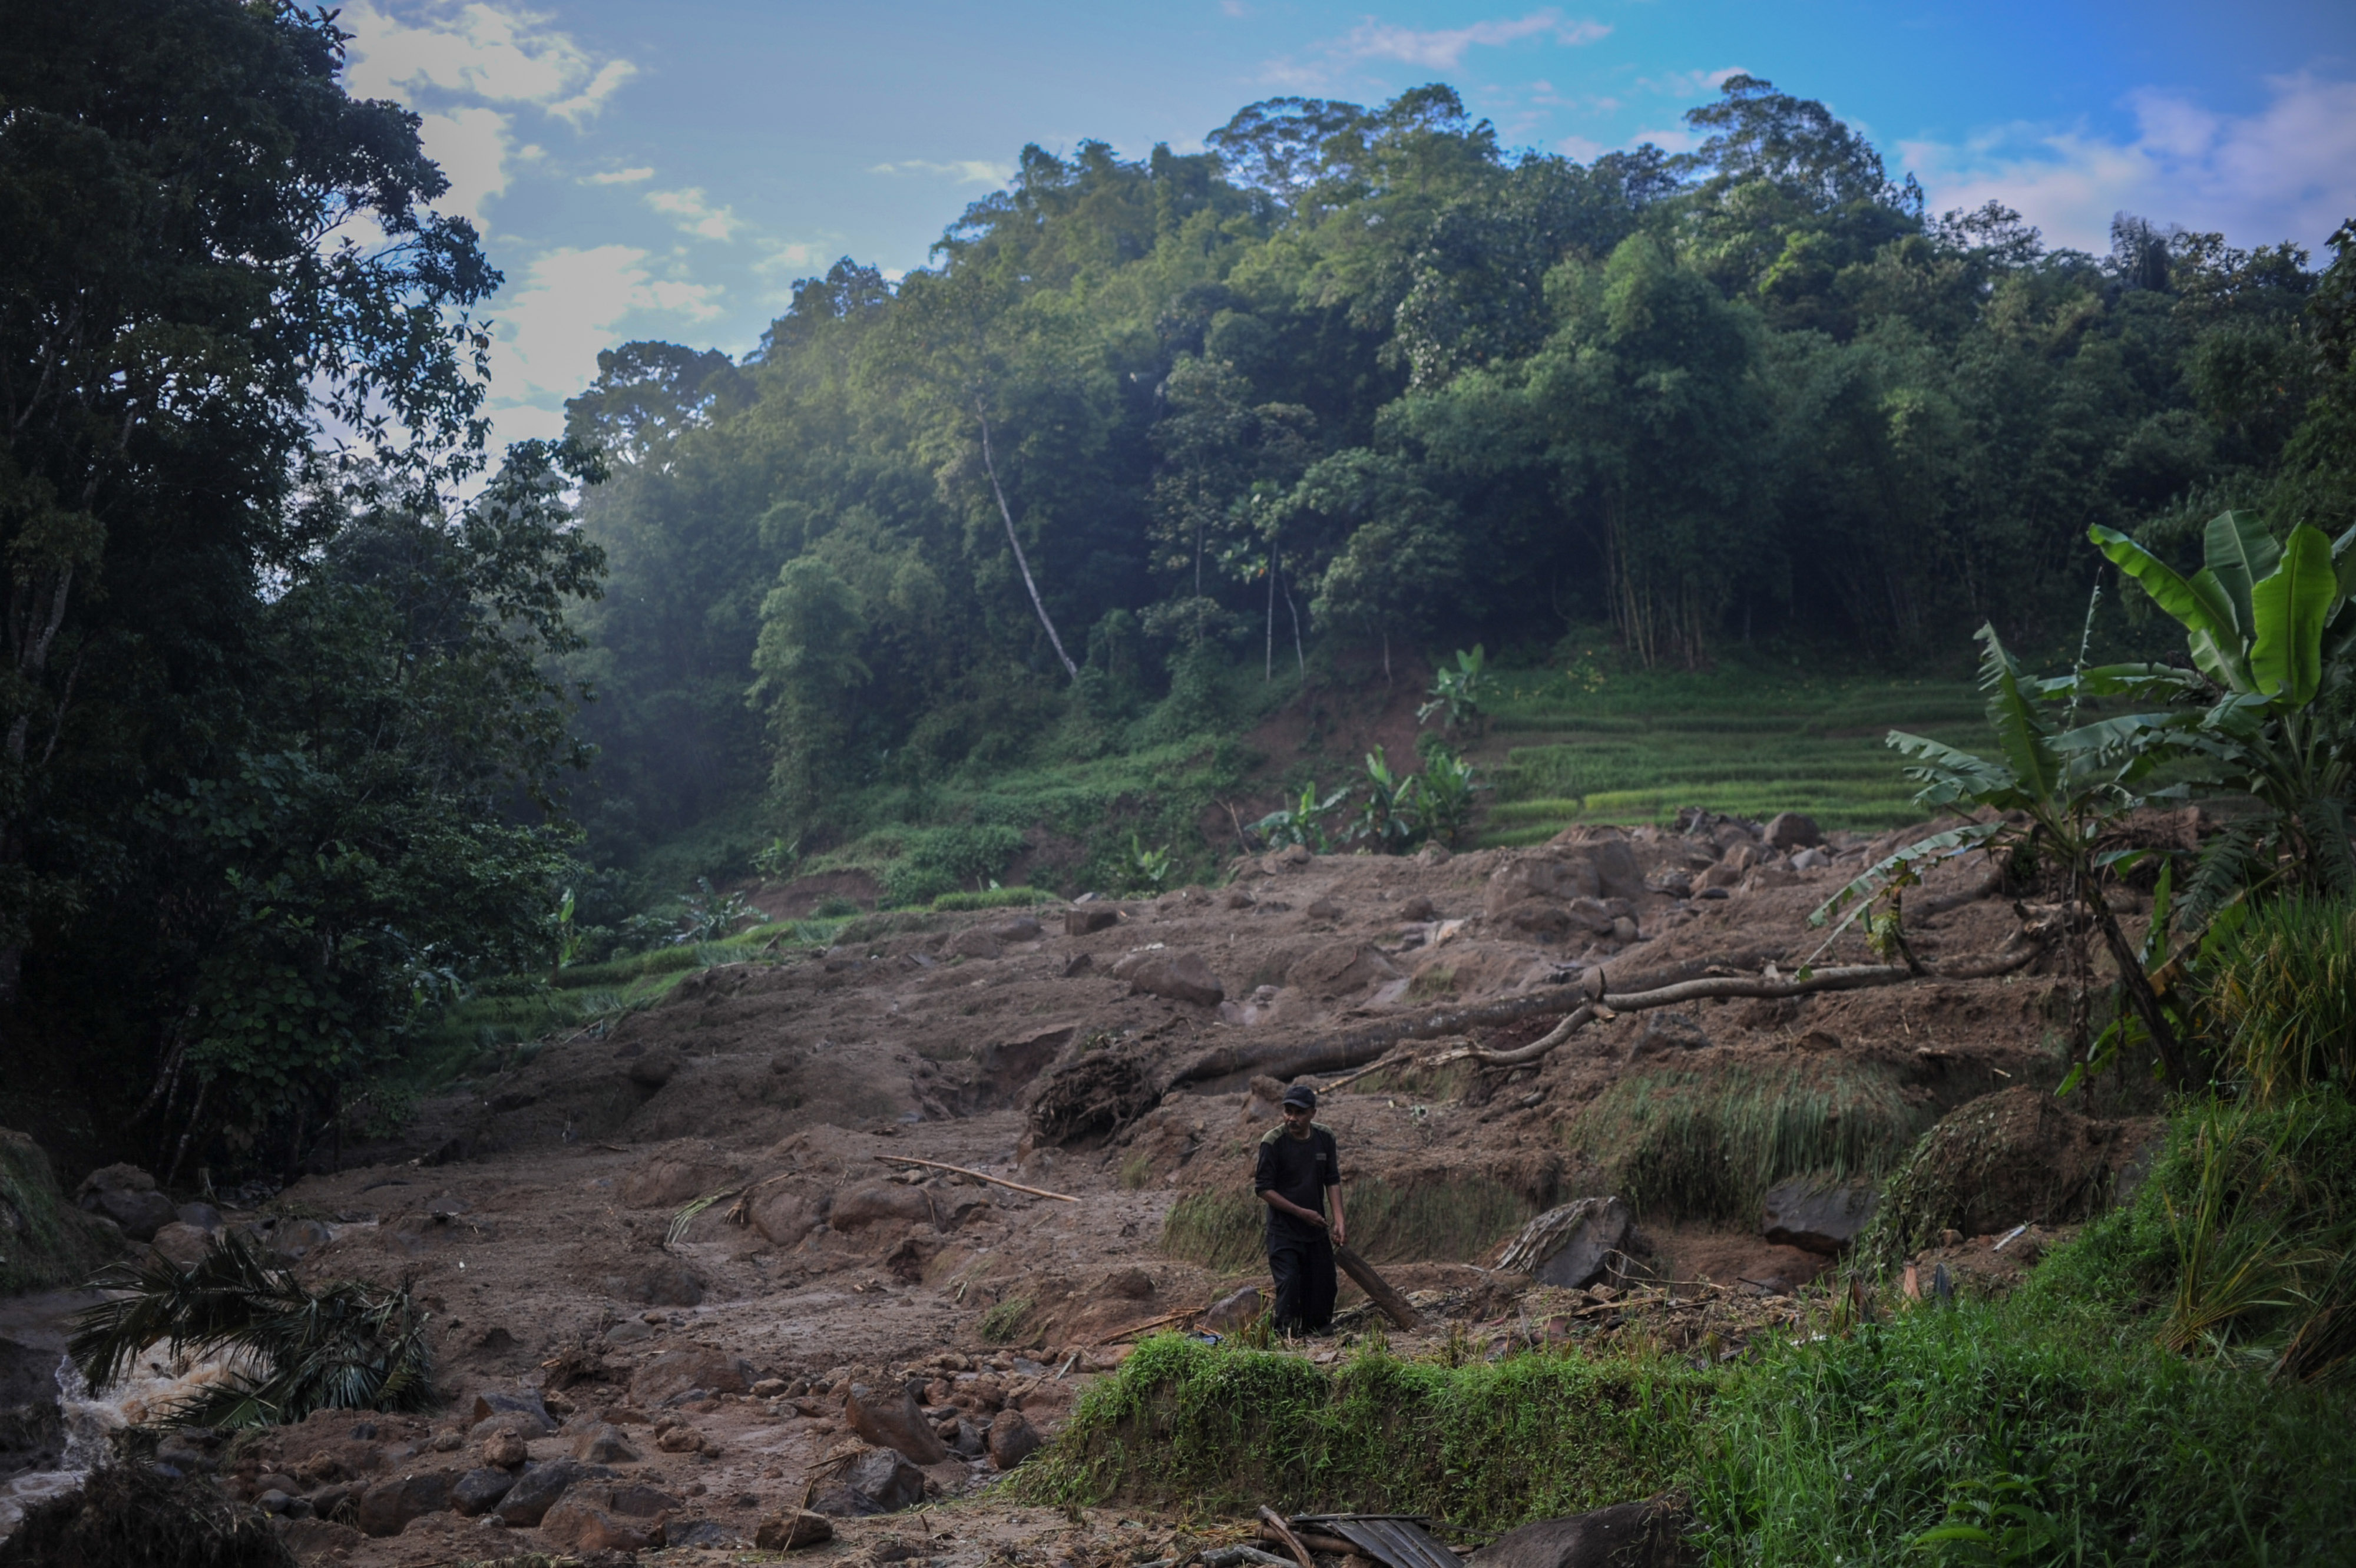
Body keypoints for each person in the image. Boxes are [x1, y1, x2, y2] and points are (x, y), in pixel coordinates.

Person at [1254, 1081, 1346, 1335]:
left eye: (1299, 1113)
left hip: (1315, 1230)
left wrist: (1339, 1221)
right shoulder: (1273, 1142)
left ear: (1313, 1113)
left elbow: (1333, 1179)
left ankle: (1317, 1335)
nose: (1292, 1118)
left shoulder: (1324, 1138)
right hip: (1284, 1231)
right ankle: (1285, 1337)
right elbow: (1263, 1189)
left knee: (1324, 1285)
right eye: (1288, 1112)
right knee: (1290, 1283)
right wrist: (1301, 1213)